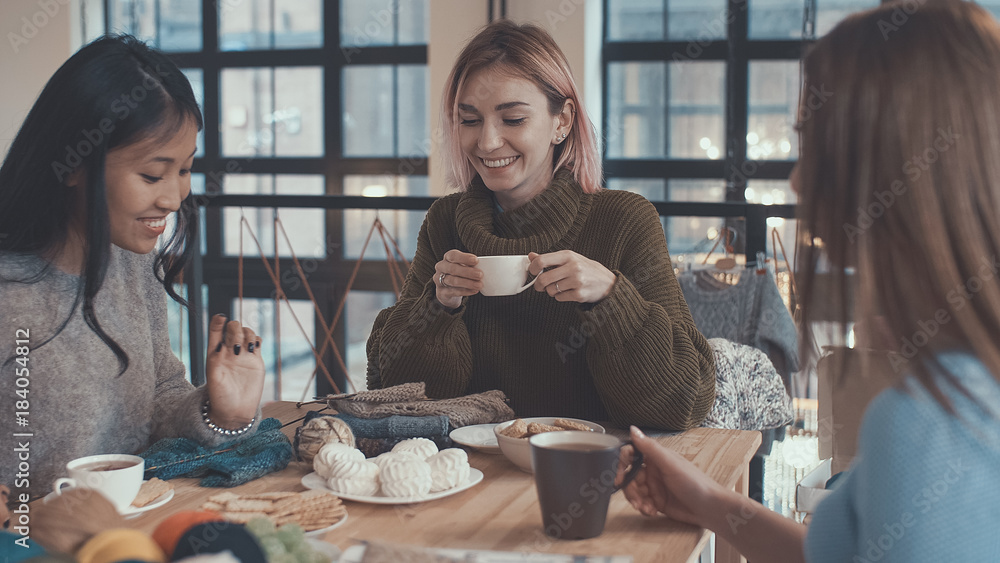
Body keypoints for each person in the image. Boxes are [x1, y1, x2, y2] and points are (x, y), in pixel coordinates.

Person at [616, 1, 1000, 560]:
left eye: (814, 142)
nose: (797, 179)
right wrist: (706, 501)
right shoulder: (967, 384)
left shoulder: (926, 426)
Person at [366, 20, 716, 431]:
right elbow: (397, 396)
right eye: (470, 120)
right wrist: (437, 308)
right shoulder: (445, 222)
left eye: (512, 119)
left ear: (562, 121)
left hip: (586, 472)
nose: (487, 142)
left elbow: (683, 403)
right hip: (469, 477)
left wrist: (610, 298)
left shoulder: (625, 220)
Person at [0, 35, 265, 501]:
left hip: (134, 530)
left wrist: (219, 414)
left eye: (184, 170)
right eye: (151, 174)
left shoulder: (132, 265)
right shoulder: (10, 293)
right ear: (73, 163)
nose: (172, 197)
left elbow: (159, 397)